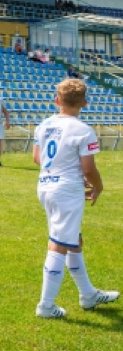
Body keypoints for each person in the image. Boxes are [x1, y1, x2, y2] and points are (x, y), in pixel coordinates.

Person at [33, 78, 119, 318]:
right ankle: (46, 305)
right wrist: (98, 187)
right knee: (59, 243)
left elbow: (37, 158)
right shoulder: (84, 130)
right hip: (67, 190)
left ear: (56, 100)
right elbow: (88, 168)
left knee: (73, 239)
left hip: (46, 186)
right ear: (85, 103)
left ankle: (88, 293)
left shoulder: (44, 125)